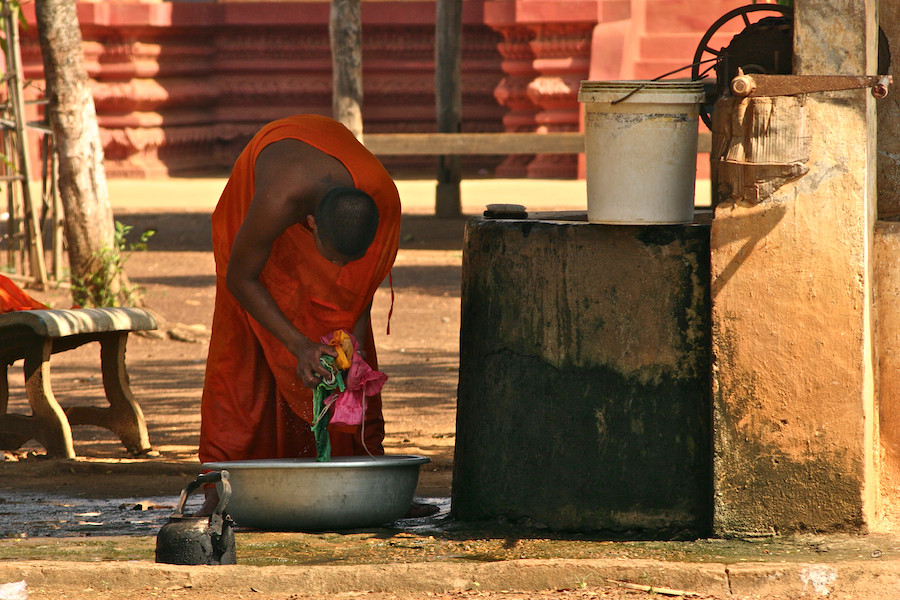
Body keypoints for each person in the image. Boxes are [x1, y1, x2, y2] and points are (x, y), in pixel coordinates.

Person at [197, 114, 401, 513]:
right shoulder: (280, 198)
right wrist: (300, 345)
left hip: (337, 195)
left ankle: (357, 469)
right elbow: (242, 278)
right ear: (310, 225)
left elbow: (359, 291)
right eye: (332, 258)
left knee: (346, 359)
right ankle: (224, 488)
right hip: (251, 218)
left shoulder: (383, 204)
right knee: (246, 342)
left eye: (349, 261)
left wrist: (352, 350)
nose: (339, 269)